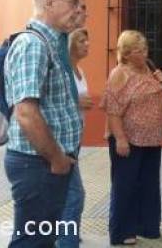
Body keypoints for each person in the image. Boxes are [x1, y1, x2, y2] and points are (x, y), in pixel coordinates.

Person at [4, 0, 82, 247]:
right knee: (32, 241)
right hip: (37, 164)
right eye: (73, 3)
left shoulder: (50, 44)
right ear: (50, 3)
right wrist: (57, 158)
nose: (78, 10)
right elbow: (26, 113)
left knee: (42, 239)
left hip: (45, 162)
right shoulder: (33, 45)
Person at [100, 30, 162, 246]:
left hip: (152, 139)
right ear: (127, 54)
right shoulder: (120, 73)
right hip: (128, 139)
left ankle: (147, 226)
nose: (145, 53)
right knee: (125, 185)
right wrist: (120, 139)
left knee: (149, 184)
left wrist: (161, 81)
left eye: (146, 48)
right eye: (140, 50)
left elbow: (156, 95)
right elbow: (113, 109)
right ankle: (122, 231)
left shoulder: (148, 68)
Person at [57, 27, 93, 248]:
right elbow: (50, 104)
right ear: (69, 44)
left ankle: (65, 234)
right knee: (75, 195)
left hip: (75, 138)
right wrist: (76, 103)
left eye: (88, 41)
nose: (87, 45)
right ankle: (67, 240)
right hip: (61, 142)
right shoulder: (63, 71)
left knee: (63, 193)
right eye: (82, 41)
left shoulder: (79, 70)